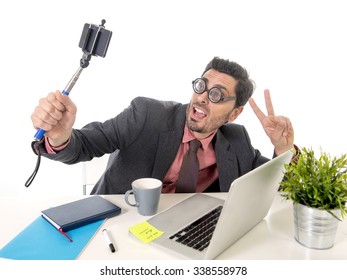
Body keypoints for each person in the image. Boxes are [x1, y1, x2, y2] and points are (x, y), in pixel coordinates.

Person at [31, 57, 294, 194]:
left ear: (234, 114)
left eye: (216, 94)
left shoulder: (237, 140)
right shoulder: (147, 114)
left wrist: (284, 148)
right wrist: (60, 136)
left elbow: (274, 185)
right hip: (122, 225)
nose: (202, 96)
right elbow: (87, 143)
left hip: (191, 233)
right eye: (201, 86)